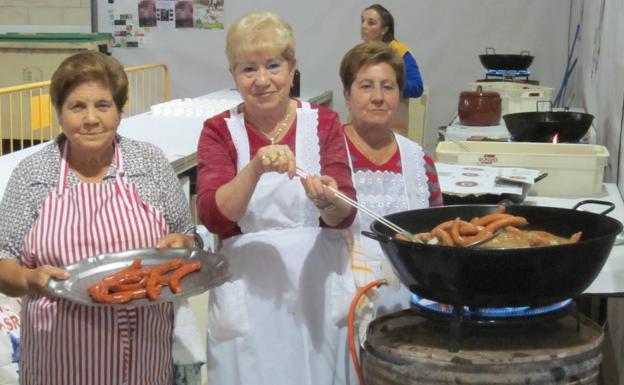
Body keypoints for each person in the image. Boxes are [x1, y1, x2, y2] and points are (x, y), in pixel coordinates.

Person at [0, 51, 202, 385]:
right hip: (58, 353)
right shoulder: (34, 174)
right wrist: (30, 279)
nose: (91, 118)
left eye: (103, 105)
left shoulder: (148, 164)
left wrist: (182, 243)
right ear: (60, 114)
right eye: (77, 106)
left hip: (143, 352)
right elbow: (3, 261)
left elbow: (188, 235)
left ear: (120, 111)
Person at [196, 11, 358, 385]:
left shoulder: (323, 122)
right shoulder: (220, 131)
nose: (263, 80)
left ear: (292, 67)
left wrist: (325, 199)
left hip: (315, 294)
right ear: (233, 75)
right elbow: (213, 217)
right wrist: (254, 169)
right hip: (248, 298)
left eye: (273, 65)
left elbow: (344, 214)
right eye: (248, 69)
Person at [339, 41, 442, 319]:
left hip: (407, 312)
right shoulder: (328, 153)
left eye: (388, 86)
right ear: (347, 94)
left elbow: (439, 237)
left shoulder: (419, 162)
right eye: (365, 86)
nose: (378, 97)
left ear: (399, 94)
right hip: (341, 311)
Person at [360, 4, 424, 98]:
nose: (363, 26)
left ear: (384, 29)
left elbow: (417, 87)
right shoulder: (359, 53)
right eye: (363, 21)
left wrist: (389, 84)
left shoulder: (398, 51)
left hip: (392, 111)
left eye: (371, 23)